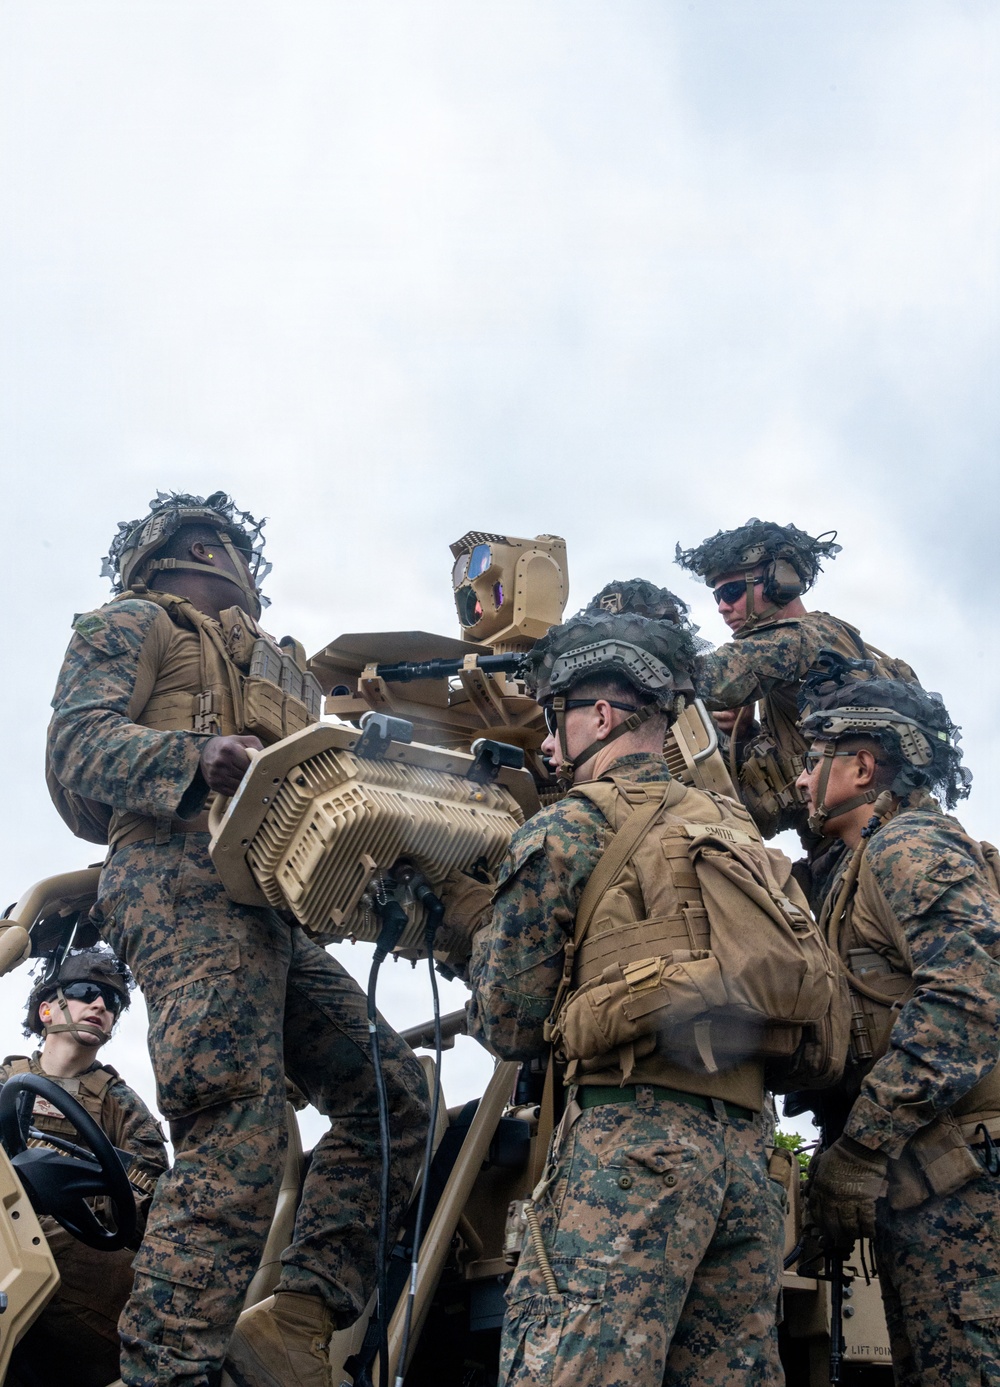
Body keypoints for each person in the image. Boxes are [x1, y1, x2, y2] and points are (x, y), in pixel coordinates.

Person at [46, 491, 430, 1387]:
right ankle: (162, 1372)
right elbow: (75, 745)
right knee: (235, 1126)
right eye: (224, 548)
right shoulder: (135, 622)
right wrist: (195, 759)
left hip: (271, 901)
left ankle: (294, 1318)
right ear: (196, 549)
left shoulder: (280, 668)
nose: (243, 568)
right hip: (176, 874)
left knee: (392, 1095)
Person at [443, 612, 818, 1387]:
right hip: (747, 1161)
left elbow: (510, 1017)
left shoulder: (570, 825)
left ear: (601, 716)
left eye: (556, 720)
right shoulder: (734, 825)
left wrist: (459, 923)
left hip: (634, 1150)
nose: (549, 744)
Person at [793, 666, 1000, 1386]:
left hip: (968, 1190)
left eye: (813, 759)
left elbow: (967, 1002)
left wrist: (863, 1144)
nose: (798, 780)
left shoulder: (908, 847)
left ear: (861, 766)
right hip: (934, 1188)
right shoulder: (856, 868)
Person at [674, 521, 918, 902]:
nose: (723, 607)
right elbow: (791, 780)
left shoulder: (802, 638)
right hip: (844, 846)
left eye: (733, 591)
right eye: (717, 595)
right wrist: (751, 735)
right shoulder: (807, 653)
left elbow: (710, 679)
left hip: (881, 843)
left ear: (780, 582)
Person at [2, 946, 168, 1387]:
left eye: (112, 1002)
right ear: (47, 1009)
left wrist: (69, 1190)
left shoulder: (122, 1106)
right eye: (87, 992)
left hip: (73, 1251)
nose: (100, 1005)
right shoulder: (6, 1080)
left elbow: (146, 1204)